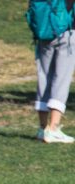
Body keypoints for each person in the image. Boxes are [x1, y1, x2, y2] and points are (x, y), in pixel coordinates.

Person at [33, 0, 75, 144]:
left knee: (43, 77)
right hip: (67, 31)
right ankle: (53, 129)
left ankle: (42, 128)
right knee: (61, 79)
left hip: (44, 30)